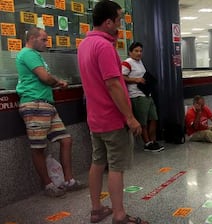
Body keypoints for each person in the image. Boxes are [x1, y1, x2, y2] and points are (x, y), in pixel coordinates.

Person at [77, 1, 149, 224]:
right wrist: (129, 117)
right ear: (108, 22)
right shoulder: (104, 47)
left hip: (95, 118)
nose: (120, 23)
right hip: (112, 118)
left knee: (97, 163)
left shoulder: (84, 45)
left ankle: (96, 209)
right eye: (118, 19)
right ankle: (119, 215)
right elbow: (113, 85)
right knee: (116, 168)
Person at [15, 27, 85, 198]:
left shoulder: (35, 55)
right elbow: (45, 78)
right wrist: (59, 82)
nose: (47, 43)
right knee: (38, 147)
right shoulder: (28, 53)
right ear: (32, 38)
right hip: (34, 104)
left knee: (66, 139)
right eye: (43, 40)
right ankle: (48, 185)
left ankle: (69, 180)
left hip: (46, 104)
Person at [122, 42, 164, 152]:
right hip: (137, 95)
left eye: (140, 51)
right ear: (130, 52)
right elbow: (122, 77)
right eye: (136, 51)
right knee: (143, 121)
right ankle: (147, 143)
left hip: (146, 94)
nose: (139, 53)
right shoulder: (127, 63)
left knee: (153, 118)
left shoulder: (140, 62)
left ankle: (153, 141)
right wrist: (135, 80)